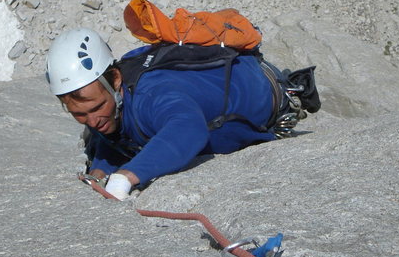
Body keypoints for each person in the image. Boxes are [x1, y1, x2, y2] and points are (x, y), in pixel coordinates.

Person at [45, 28, 316, 199]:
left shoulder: (153, 94)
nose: (92, 121)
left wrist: (129, 175)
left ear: (115, 80)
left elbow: (188, 129)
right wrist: (101, 170)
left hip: (269, 91)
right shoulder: (115, 99)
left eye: (96, 108)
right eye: (78, 115)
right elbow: (115, 139)